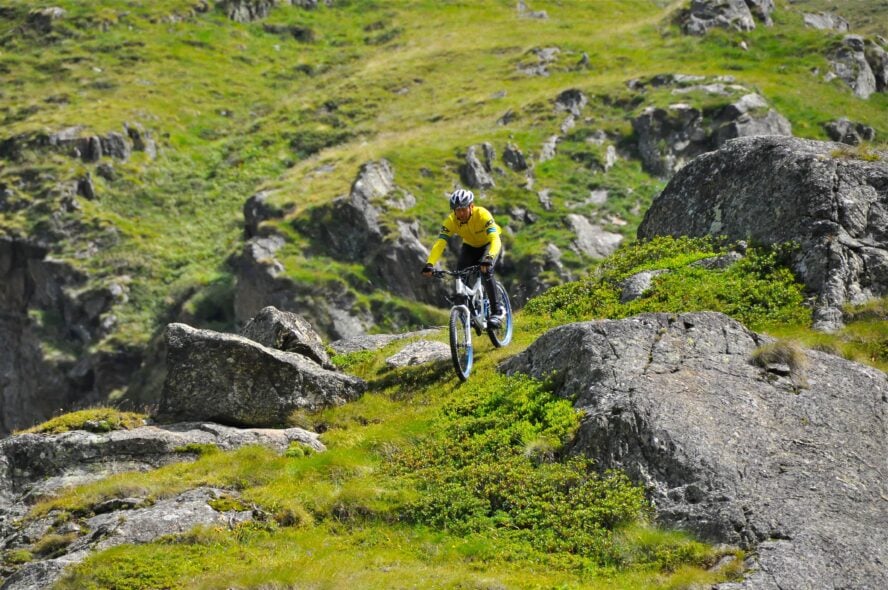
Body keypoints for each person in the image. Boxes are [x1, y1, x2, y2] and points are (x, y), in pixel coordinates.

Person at [421, 189, 505, 327]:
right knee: (460, 275)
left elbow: (495, 239)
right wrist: (430, 264)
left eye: (462, 209)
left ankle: (497, 312)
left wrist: (489, 258)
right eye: (456, 210)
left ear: (471, 206)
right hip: (470, 247)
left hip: (488, 245)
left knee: (486, 272)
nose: (459, 213)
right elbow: (440, 243)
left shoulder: (482, 214)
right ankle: (470, 313)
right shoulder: (451, 220)